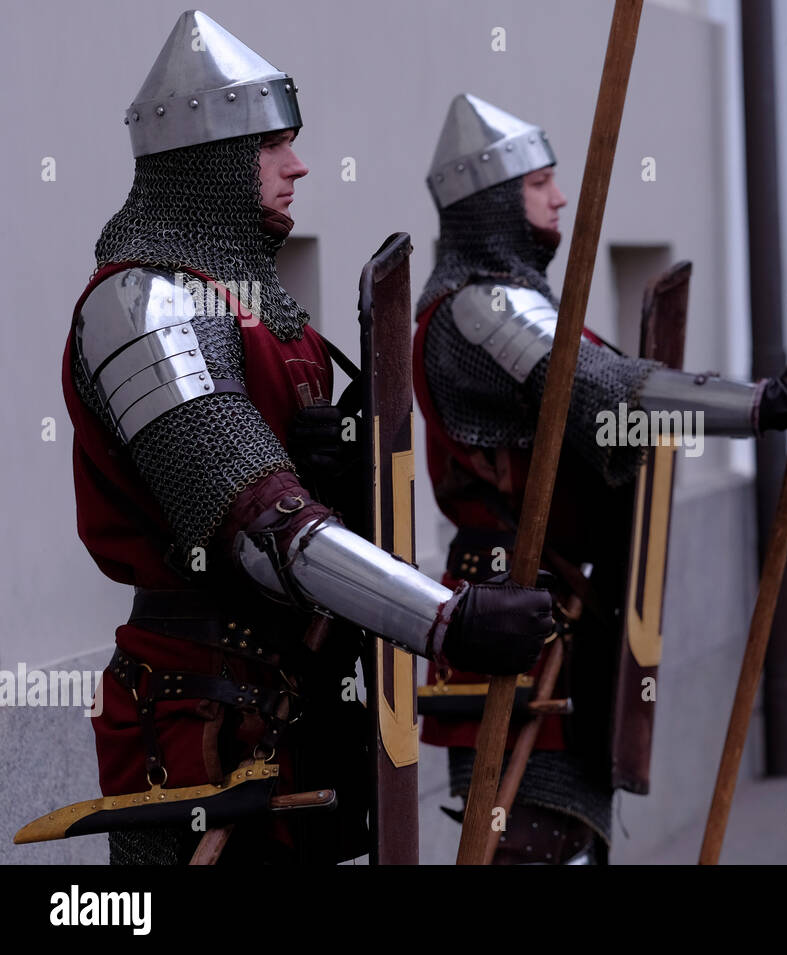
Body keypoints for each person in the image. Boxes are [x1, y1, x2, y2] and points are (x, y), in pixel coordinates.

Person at [60, 12, 551, 865]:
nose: (299, 164)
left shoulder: (264, 310)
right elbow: (261, 527)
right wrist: (447, 618)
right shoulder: (145, 307)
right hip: (198, 714)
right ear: (205, 162)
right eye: (272, 145)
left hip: (292, 697)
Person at [414, 94, 787, 863]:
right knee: (528, 841)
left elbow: (608, 389)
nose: (560, 195)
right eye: (539, 181)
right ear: (491, 202)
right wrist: (762, 403)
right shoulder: (480, 312)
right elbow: (612, 391)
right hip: (518, 614)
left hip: (562, 611)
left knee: (564, 838)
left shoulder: (521, 305)